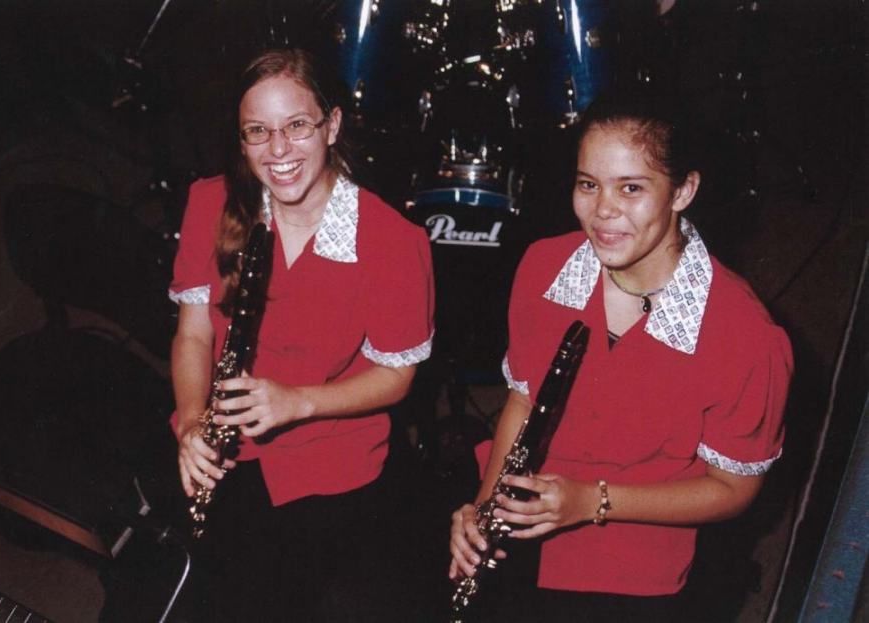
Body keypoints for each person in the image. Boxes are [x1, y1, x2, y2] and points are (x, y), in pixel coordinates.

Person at [448, 92, 792, 622]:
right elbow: (521, 400)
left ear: (683, 191)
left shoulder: (747, 337)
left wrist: (593, 502)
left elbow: (734, 488)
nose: (603, 211)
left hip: (638, 574)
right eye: (589, 185)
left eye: (631, 188)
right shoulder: (543, 267)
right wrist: (484, 505)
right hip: (522, 545)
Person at [168, 48, 434, 622]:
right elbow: (193, 335)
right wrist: (191, 421)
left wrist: (299, 401)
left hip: (332, 465)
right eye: (257, 132)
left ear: (332, 126)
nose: (278, 150)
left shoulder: (392, 240)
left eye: (296, 126)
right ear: (241, 140)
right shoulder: (209, 203)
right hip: (227, 452)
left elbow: (397, 377)